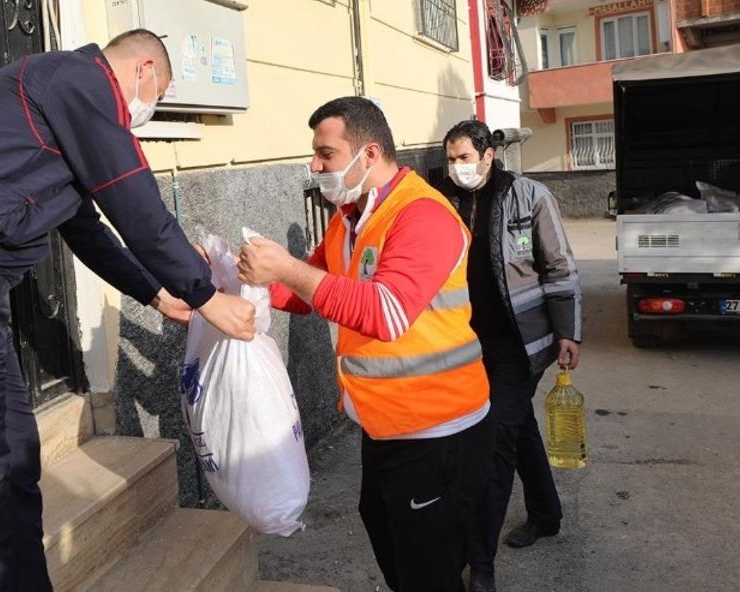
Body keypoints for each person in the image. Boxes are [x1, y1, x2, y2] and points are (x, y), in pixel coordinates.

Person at [0, 30, 255, 591]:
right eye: (155, 95)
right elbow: (134, 203)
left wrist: (157, 293)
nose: (144, 112)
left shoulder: (61, 98)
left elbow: (85, 226)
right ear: (142, 68)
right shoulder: (78, 83)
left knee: (14, 460)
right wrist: (207, 297)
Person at [237, 97, 495, 592]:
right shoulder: (349, 218)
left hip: (439, 432)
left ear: (369, 153)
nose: (314, 166)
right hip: (386, 428)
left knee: (430, 574)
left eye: (325, 153)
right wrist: (236, 282)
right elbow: (306, 288)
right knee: (397, 553)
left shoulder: (422, 215)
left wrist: (287, 268)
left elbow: (387, 312)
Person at [436, 120, 582, 592]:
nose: (456, 168)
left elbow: (558, 266)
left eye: (463, 158)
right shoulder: (441, 199)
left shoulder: (530, 196)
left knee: (493, 442)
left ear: (487, 156)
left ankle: (480, 564)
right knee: (517, 429)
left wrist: (568, 332)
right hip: (466, 341)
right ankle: (546, 514)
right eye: (450, 159)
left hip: (521, 343)